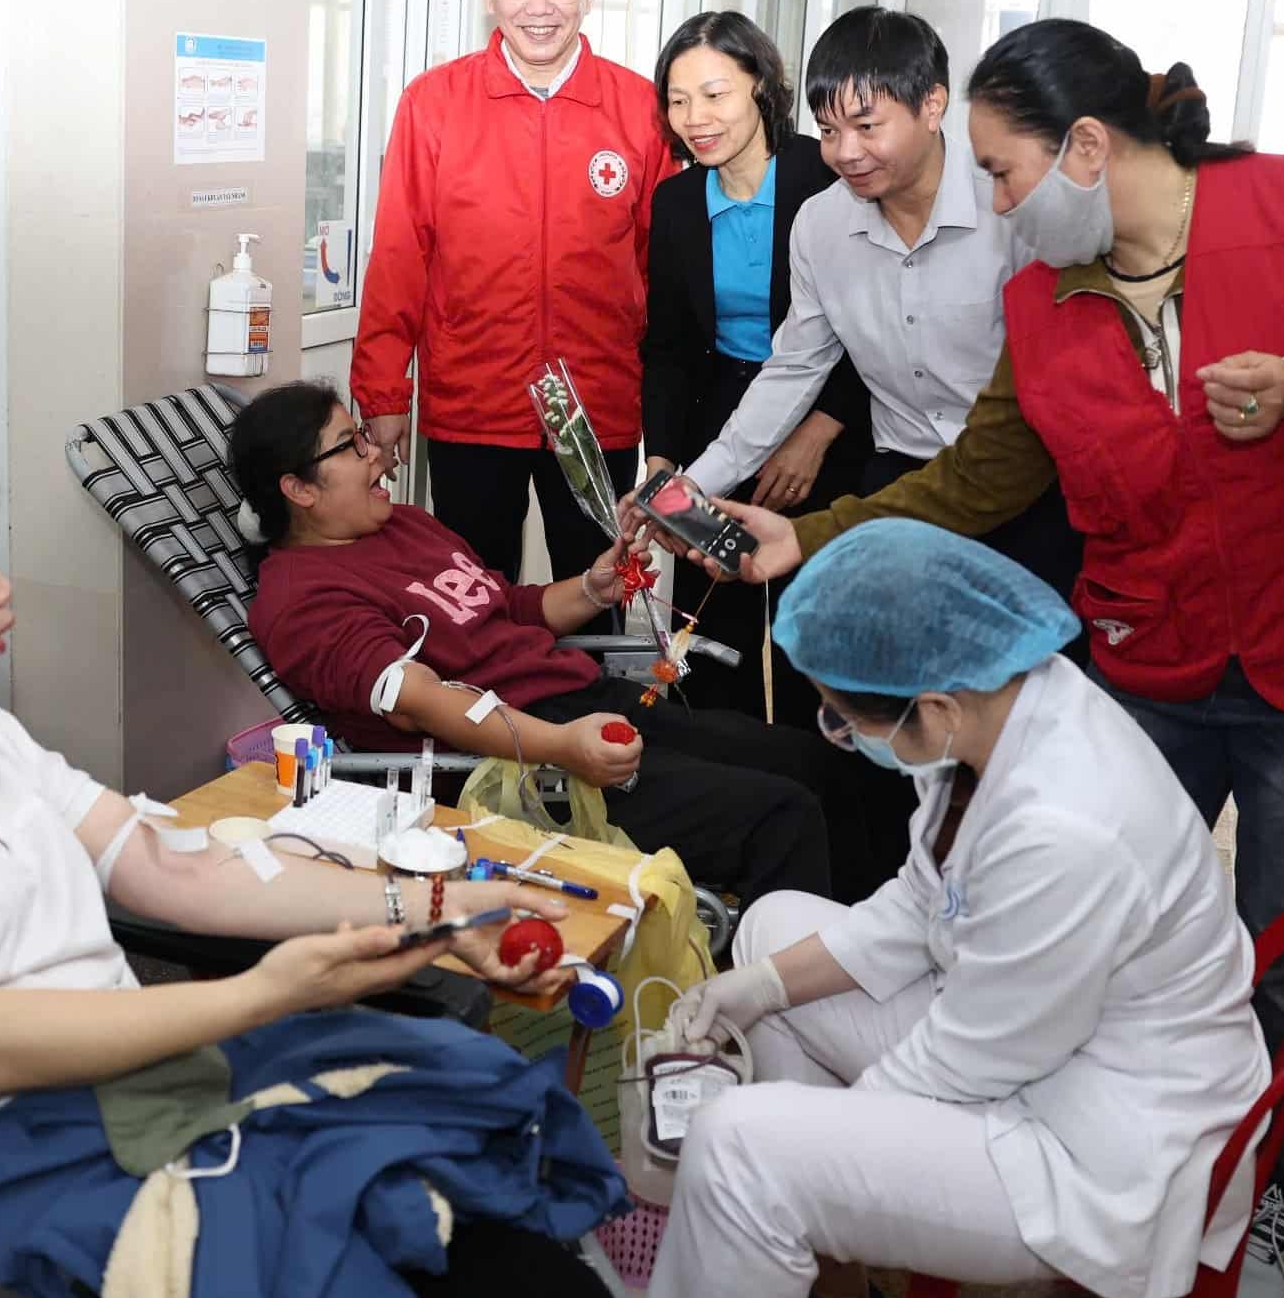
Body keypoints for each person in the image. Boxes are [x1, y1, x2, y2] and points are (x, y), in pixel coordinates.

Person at [691, 18, 1284, 1298]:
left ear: (1084, 145)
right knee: (1068, 907)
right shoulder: (1044, 299)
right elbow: (978, 476)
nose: (997, 207)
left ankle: (1283, 1195)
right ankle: (1056, 1129)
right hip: (1147, 654)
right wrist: (809, 535)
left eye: (1004, 175)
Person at [0, 419, 647, 1298]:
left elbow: (172, 867)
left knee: (479, 1188)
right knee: (377, 1271)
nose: (6, 586)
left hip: (124, 1099)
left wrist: (437, 909)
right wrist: (256, 995)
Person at [644, 520, 1268, 1298]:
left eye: (840, 718)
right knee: (768, 928)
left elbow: (970, 1060)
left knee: (738, 1146)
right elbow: (919, 901)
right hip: (1036, 1039)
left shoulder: (1065, 827)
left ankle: (774, 1228)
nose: (838, 732)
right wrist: (753, 986)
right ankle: (823, 1257)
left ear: (933, 705)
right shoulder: (1000, 707)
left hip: (1098, 1139)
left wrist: (821, 1141)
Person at [233, 380, 908, 909]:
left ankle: (872, 950)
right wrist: (560, 750)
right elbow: (422, 705)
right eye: (350, 445)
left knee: (811, 761)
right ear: (297, 488)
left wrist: (592, 585)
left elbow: (508, 607)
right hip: (520, 767)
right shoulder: (300, 600)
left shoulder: (402, 525)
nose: (376, 455)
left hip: (583, 699)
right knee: (779, 816)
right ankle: (778, 1011)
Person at [652, 6, 1083, 622]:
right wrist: (698, 483)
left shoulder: (1011, 208)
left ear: (932, 107)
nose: (845, 152)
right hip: (897, 486)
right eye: (828, 132)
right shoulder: (822, 225)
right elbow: (794, 366)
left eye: (866, 126)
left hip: (1023, 485)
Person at [350, 0, 672, 589]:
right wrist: (381, 394)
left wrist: (668, 418)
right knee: (471, 603)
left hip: (598, 413)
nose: (539, 4)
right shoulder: (434, 103)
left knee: (600, 594)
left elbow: (663, 273)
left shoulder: (640, 108)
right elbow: (400, 256)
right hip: (471, 404)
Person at [640, 9, 877, 726]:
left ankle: (820, 786)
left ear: (761, 86)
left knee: (811, 630)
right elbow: (672, 346)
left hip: (832, 416)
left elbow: (870, 327)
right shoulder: (676, 199)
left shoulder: (826, 177)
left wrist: (821, 429)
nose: (694, 118)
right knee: (711, 626)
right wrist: (663, 456)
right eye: (678, 100)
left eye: (714, 94)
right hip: (721, 420)